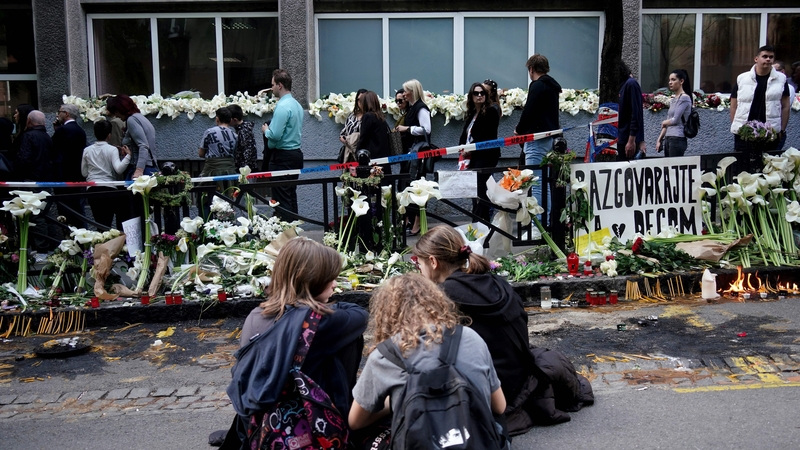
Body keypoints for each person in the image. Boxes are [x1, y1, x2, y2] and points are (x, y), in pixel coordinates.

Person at [217, 238, 368, 449]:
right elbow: (360, 315)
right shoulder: (318, 323)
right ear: (312, 280)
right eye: (330, 278)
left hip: (258, 422)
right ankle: (342, 419)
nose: (335, 284)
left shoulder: (256, 315)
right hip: (305, 423)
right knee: (349, 340)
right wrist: (320, 306)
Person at [348, 273, 506, 446]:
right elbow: (499, 406)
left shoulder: (385, 355)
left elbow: (355, 422)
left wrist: (394, 402)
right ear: (437, 301)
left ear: (386, 314)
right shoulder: (470, 337)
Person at [411, 226, 529, 408]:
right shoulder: (497, 283)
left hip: (485, 392)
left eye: (419, 263)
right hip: (520, 379)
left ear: (433, 262)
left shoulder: (440, 298)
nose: (419, 270)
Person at [515, 54, 561, 213]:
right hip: (548, 138)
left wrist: (519, 130)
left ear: (531, 69)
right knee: (543, 182)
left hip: (536, 138)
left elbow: (529, 111)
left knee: (536, 182)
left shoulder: (537, 85)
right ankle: (545, 220)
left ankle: (538, 224)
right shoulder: (552, 87)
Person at [730, 45, 790, 164]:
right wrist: (736, 126)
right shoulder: (742, 78)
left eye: (771, 57)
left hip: (770, 132)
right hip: (745, 133)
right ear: (756, 59)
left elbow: (785, 106)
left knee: (769, 168)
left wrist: (781, 129)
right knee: (743, 166)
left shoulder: (781, 79)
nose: (768, 59)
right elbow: (733, 105)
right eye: (765, 56)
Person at [262, 69, 304, 219]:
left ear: (279, 85)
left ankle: (287, 235)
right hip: (295, 155)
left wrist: (266, 130)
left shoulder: (282, 106)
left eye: (273, 85)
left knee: (282, 198)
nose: (271, 88)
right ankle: (294, 234)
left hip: (282, 157)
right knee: (290, 195)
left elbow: (275, 135)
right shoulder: (297, 105)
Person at [395, 79, 432, 236]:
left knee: (416, 187)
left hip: (417, 155)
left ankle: (416, 223)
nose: (403, 94)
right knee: (406, 186)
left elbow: (427, 129)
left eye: (405, 91)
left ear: (412, 91)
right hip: (410, 154)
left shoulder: (421, 108)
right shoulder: (411, 108)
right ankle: (410, 220)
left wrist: (407, 128)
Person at [461, 82, 500, 222]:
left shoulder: (491, 111)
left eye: (482, 93)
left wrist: (469, 148)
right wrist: (462, 147)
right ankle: (483, 225)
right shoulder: (472, 113)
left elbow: (486, 135)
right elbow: (466, 134)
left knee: (482, 191)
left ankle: (477, 223)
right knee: (476, 190)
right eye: (476, 93)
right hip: (472, 156)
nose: (479, 96)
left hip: (486, 156)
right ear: (471, 96)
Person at [81, 120, 131, 228]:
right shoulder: (112, 149)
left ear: (94, 134)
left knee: (100, 222)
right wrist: (128, 156)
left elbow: (84, 172)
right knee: (109, 220)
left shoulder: (87, 150)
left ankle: (102, 243)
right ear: (109, 135)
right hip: (109, 188)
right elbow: (118, 169)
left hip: (92, 188)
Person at [16, 111, 53, 251]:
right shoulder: (47, 137)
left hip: (31, 181)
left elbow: (23, 159)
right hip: (46, 181)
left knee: (36, 216)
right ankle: (47, 246)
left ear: (29, 121)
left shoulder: (28, 136)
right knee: (44, 214)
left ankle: (41, 248)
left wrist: (17, 172)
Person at [106, 94, 159, 180]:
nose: (116, 116)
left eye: (115, 112)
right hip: (149, 166)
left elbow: (143, 145)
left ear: (121, 109)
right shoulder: (140, 117)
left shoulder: (132, 120)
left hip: (141, 169)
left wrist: (139, 170)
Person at [51, 103, 88, 227]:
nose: (57, 114)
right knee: (78, 210)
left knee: (66, 212)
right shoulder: (80, 131)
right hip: (78, 175)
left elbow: (54, 148)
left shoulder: (63, 130)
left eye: (60, 112)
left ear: (66, 114)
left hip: (63, 177)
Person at [198, 107, 238, 219]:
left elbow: (201, 153)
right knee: (228, 200)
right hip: (229, 172)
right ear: (230, 120)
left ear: (217, 119)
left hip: (212, 170)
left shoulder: (209, 132)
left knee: (205, 199)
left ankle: (206, 227)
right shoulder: (235, 135)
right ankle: (228, 227)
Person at [655, 69, 693, 158]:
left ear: (681, 81)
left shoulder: (684, 98)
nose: (670, 82)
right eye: (669, 80)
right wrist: (659, 139)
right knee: (668, 168)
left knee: (673, 169)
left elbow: (675, 120)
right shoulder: (673, 99)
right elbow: (669, 121)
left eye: (673, 79)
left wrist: (664, 122)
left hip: (677, 138)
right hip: (668, 137)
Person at [617, 61, 645, 161]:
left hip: (627, 139)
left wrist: (632, 140)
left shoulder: (631, 84)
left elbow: (636, 114)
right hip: (620, 137)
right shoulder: (621, 86)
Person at [357, 91, 391, 168]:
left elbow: (363, 138)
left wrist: (357, 151)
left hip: (372, 158)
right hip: (383, 158)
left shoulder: (368, 116)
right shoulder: (380, 116)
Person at [340, 88, 368, 163]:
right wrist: (345, 140)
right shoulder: (352, 115)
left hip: (362, 153)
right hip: (349, 152)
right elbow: (343, 133)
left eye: (362, 99)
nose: (360, 102)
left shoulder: (369, 116)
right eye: (358, 100)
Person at [773, 60, 795, 150]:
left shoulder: (788, 88)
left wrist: (781, 130)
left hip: (777, 130)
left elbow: (784, 107)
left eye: (774, 70)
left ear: (782, 72)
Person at [227, 104, 257, 171]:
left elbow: (247, 151)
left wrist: (244, 169)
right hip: (245, 168)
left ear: (235, 120)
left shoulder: (243, 131)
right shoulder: (242, 129)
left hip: (246, 170)